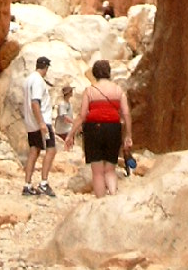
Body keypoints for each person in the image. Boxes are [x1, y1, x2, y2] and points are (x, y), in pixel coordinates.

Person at [65, 58, 132, 197]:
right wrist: (128, 135)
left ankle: (101, 200)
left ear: (95, 73)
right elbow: (126, 113)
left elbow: (82, 115)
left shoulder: (90, 91)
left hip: (93, 129)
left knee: (97, 172)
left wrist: (70, 135)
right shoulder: (118, 90)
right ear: (109, 72)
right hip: (113, 128)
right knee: (110, 169)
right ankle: (113, 195)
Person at [21, 54, 57, 197]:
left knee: (34, 151)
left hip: (30, 123)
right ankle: (43, 183)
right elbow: (35, 102)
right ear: (46, 67)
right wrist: (41, 122)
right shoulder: (38, 81)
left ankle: (27, 185)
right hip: (41, 121)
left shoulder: (28, 80)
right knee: (51, 149)